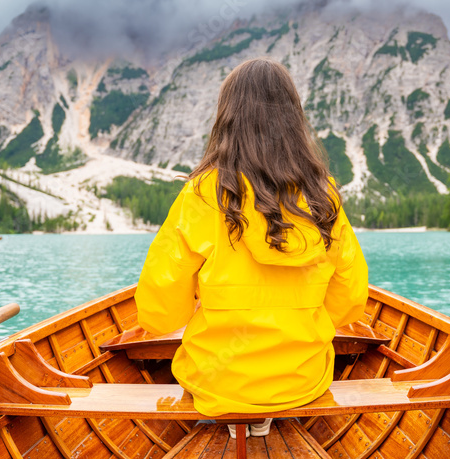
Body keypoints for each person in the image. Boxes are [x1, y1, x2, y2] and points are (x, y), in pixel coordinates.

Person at [134, 57, 369, 438]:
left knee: (209, 373)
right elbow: (349, 303)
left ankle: (237, 422)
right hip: (303, 379)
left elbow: (159, 312)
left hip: (217, 381)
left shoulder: (202, 193)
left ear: (227, 118)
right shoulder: (323, 196)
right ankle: (266, 420)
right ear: (293, 119)